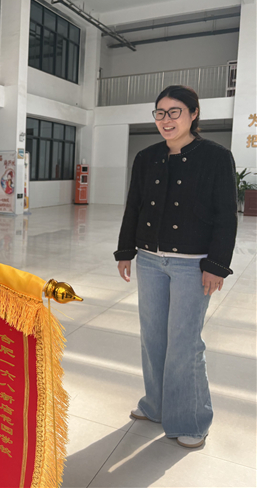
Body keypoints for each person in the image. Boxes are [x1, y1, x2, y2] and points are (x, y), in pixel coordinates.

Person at [114, 85, 237, 449]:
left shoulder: (216, 157)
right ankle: (155, 405)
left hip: (192, 264)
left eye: (175, 112)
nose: (166, 120)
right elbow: (134, 205)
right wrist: (125, 250)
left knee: (184, 343)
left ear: (194, 114)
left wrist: (216, 265)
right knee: (152, 337)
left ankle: (192, 420)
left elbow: (226, 216)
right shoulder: (147, 157)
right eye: (160, 113)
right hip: (150, 260)